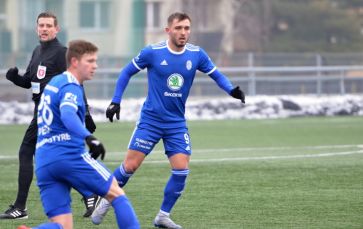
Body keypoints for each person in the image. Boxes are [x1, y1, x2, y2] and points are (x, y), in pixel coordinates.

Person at [91, 12, 245, 229]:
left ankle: (162, 216)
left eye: (187, 28)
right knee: (130, 166)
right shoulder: (152, 52)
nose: (183, 33)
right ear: (168, 30)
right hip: (151, 121)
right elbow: (126, 73)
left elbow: (216, 74)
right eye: (179, 28)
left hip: (176, 123)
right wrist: (116, 101)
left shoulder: (196, 54)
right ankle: (107, 199)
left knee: (181, 170)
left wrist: (232, 90)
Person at [18, 39, 140, 229]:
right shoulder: (70, 86)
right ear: (75, 62)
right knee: (116, 193)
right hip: (67, 155)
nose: (95, 66)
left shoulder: (54, 83)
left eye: (95, 61)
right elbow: (67, 114)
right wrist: (89, 137)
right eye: (90, 61)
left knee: (62, 226)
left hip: (44, 162)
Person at [0, 12, 99, 220]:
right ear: (37, 28)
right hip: (41, 113)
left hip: (55, 115)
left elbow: (76, 82)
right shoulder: (37, 51)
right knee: (54, 159)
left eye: (48, 26)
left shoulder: (62, 53)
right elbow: (29, 82)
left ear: (57, 29)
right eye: (41, 25)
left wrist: (86, 112)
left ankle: (20, 207)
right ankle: (90, 193)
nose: (44, 29)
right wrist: (14, 78)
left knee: (27, 152)